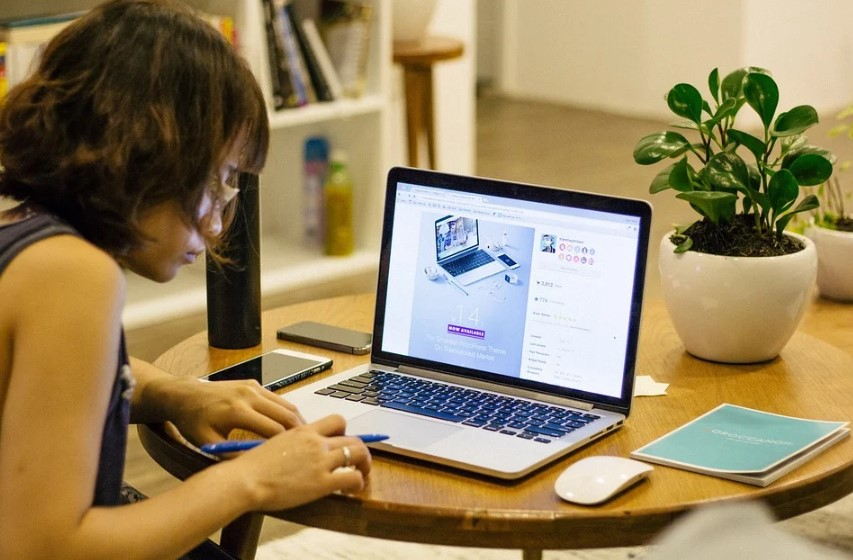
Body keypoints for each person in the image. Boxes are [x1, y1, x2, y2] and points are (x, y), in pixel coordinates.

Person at [0, 1, 371, 558]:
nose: (220, 223)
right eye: (218, 180)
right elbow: (44, 546)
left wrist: (177, 396)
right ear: (153, 152)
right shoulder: (75, 275)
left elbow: (55, 380)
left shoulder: (21, 226)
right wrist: (252, 480)